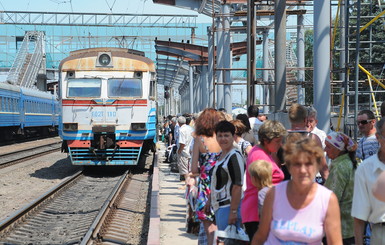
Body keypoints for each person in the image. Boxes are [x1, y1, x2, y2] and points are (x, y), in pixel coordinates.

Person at [252, 137, 342, 245]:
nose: (303, 170)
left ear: (317, 166)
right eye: (297, 164)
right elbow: (261, 235)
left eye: (309, 164)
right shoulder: (274, 194)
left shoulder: (327, 199)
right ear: (289, 167)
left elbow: (335, 242)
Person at [241, 120, 287, 241]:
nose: (280, 144)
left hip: (258, 211)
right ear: (266, 141)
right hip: (258, 213)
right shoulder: (259, 156)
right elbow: (262, 189)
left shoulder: (263, 152)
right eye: (277, 141)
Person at [189, 108, 225, 245]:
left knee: (209, 228)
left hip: (206, 187)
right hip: (222, 185)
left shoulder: (200, 140)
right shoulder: (223, 138)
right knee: (219, 227)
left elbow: (193, 168)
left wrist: (202, 169)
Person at [351, 117, 385, 245]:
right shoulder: (365, 169)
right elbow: (359, 215)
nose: (360, 125)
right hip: (379, 233)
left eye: (363, 122)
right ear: (378, 137)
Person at [207, 120, 244, 231]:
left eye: (226, 135)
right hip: (220, 207)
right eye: (220, 135)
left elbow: (238, 185)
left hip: (229, 207)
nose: (223, 139)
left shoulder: (234, 156)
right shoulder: (223, 154)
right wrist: (209, 201)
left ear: (233, 136)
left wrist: (233, 211)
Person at [324, 131, 357, 244]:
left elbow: (330, 200)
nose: (324, 150)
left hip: (340, 230)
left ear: (337, 149)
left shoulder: (340, 168)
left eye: (328, 147)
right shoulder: (348, 163)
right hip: (349, 228)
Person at [281, 103, 328, 181]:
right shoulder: (313, 138)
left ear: (289, 119)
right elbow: (323, 169)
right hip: (308, 186)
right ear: (305, 119)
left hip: (286, 188)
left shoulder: (282, 138)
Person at [177, 116, 194, 185]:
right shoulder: (190, 128)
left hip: (184, 152)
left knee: (184, 170)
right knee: (189, 169)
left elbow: (182, 143)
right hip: (190, 151)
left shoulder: (181, 130)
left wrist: (179, 151)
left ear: (178, 123)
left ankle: (187, 184)